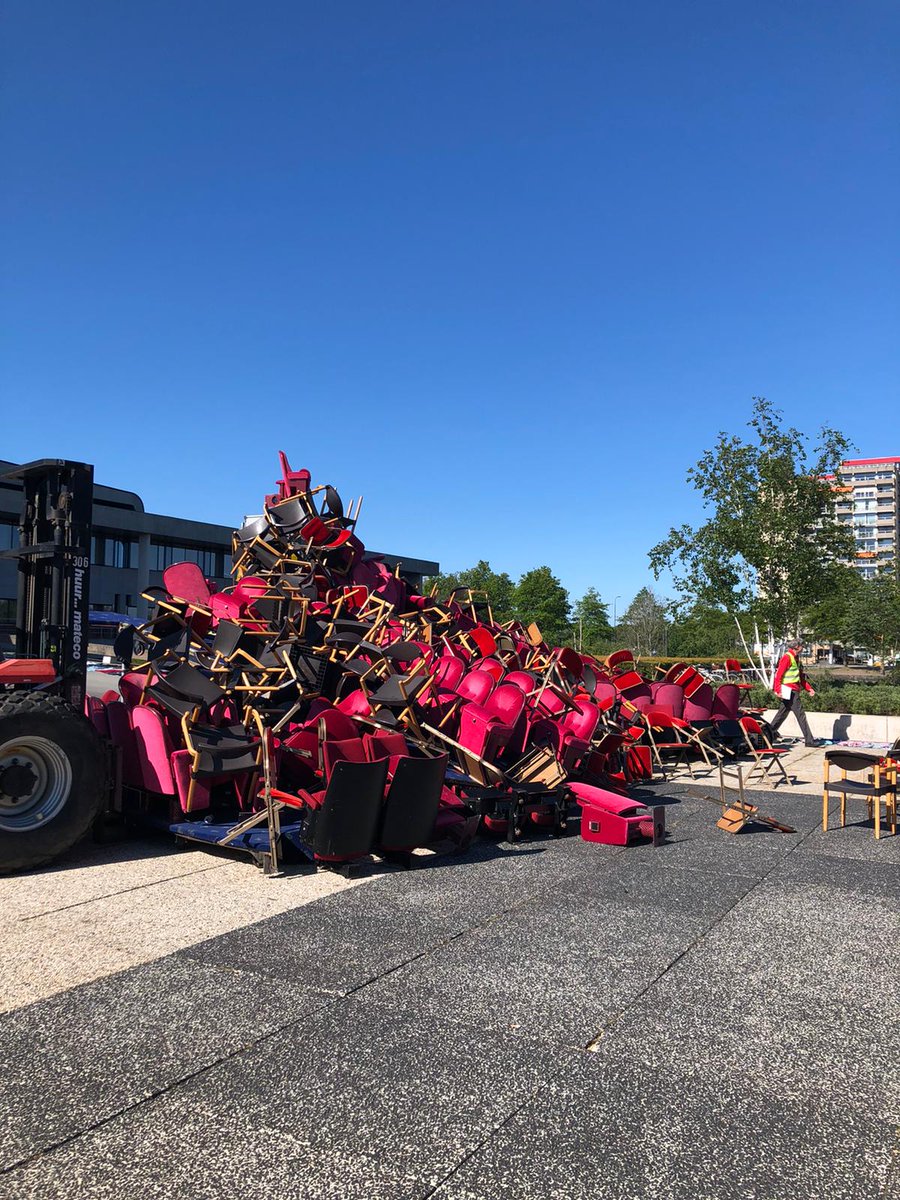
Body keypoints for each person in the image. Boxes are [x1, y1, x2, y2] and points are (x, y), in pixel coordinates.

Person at [769, 639, 818, 747]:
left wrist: (809, 688)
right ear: (797, 647)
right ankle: (809, 741)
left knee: (782, 714)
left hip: (793, 690)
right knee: (801, 715)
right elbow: (779, 675)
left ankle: (767, 734)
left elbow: (800, 676)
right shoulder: (787, 658)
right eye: (802, 646)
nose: (803, 648)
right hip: (789, 691)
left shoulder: (796, 658)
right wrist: (777, 690)